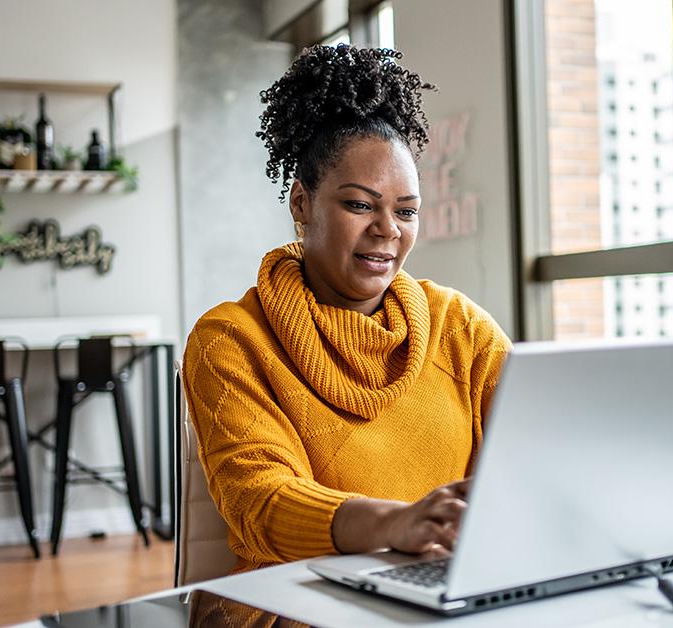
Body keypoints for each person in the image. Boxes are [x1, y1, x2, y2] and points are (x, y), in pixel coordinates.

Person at [184, 43, 511, 574]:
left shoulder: (462, 327)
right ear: (301, 204)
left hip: (450, 590)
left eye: (406, 211)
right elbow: (259, 503)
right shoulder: (230, 340)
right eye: (360, 204)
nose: (387, 230)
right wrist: (393, 525)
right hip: (300, 604)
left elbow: (535, 458)